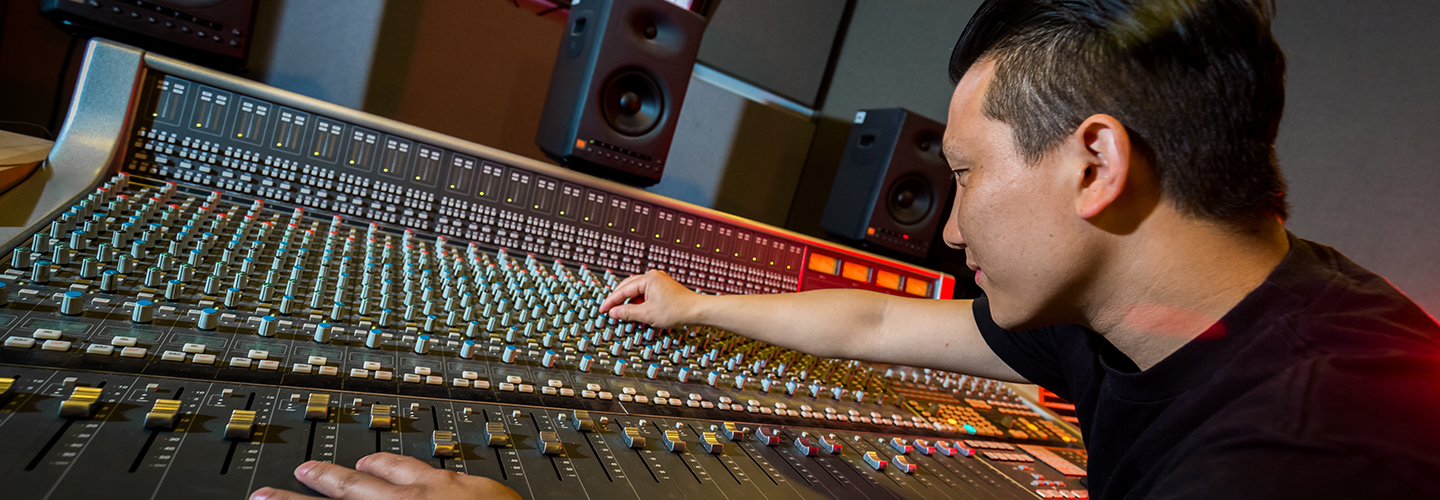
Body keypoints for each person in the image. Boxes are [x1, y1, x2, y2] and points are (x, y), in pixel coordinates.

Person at [250, 1, 1440, 499]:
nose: (954, 224)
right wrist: (698, 304)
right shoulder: (1167, 308)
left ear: (1095, 163)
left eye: (967, 176)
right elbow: (876, 321)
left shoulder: (1304, 444)